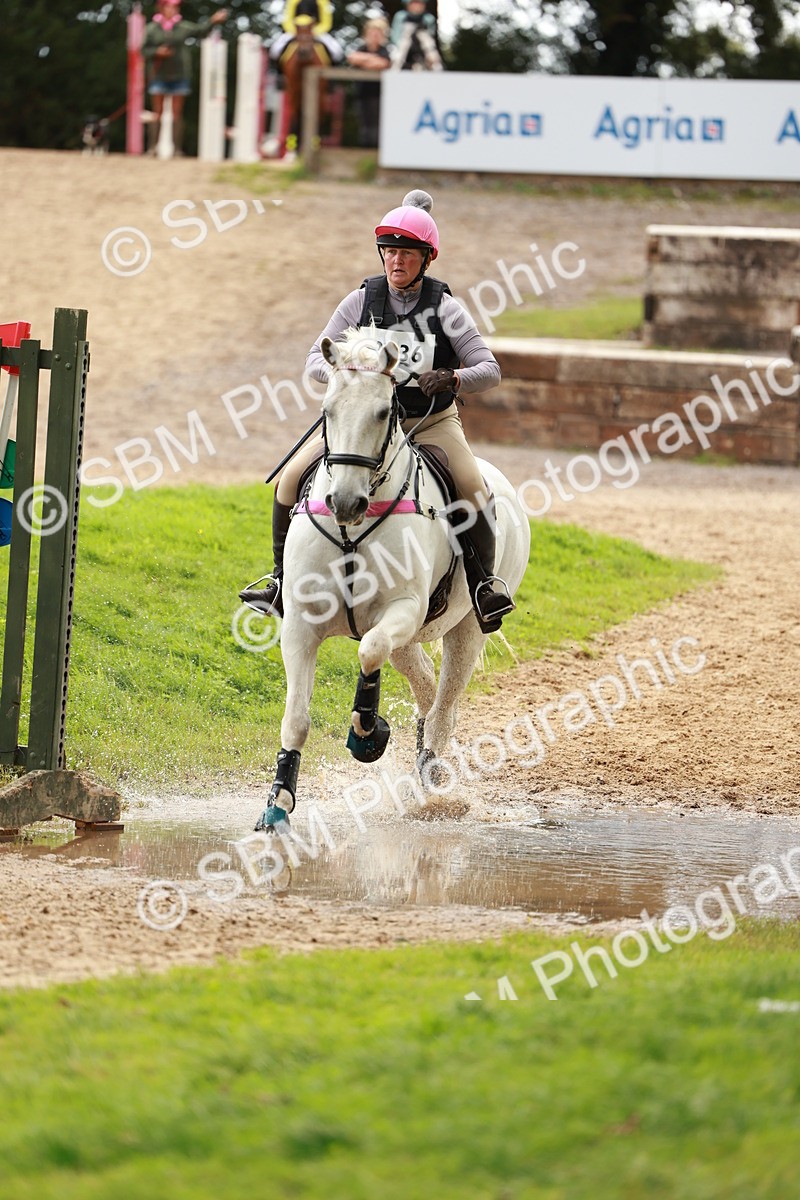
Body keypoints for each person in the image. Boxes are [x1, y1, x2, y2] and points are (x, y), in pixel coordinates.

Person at [240, 190, 516, 633]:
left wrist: (453, 377)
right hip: (361, 424)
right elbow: (315, 358)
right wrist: (348, 374)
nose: (395, 261)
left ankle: (484, 586)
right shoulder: (359, 301)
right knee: (292, 477)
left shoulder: (447, 309)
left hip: (428, 421)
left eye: (406, 253)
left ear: (427, 258)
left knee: (471, 482)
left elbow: (491, 369)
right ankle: (279, 581)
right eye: (389, 251)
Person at [141, 1, 228, 156]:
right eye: (171, 6)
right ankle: (153, 148)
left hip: (179, 75)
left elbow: (201, 30)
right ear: (162, 8)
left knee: (177, 113)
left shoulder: (183, 27)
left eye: (176, 7)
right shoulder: (151, 29)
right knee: (157, 112)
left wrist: (212, 21)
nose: (174, 9)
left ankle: (177, 149)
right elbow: (142, 50)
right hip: (158, 75)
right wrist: (157, 52)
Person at [347, 18, 392, 149]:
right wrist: (372, 59)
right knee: (364, 127)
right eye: (372, 33)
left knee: (377, 127)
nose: (375, 36)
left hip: (380, 95)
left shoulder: (385, 50)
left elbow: (383, 64)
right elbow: (352, 58)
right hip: (362, 94)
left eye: (378, 34)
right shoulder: (362, 48)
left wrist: (364, 61)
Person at [390, 0, 443, 71]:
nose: (416, 6)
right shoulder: (400, 16)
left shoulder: (428, 19)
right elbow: (395, 36)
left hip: (422, 47)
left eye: (419, 3)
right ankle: (394, 69)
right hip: (403, 46)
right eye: (414, 3)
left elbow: (430, 36)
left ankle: (437, 69)